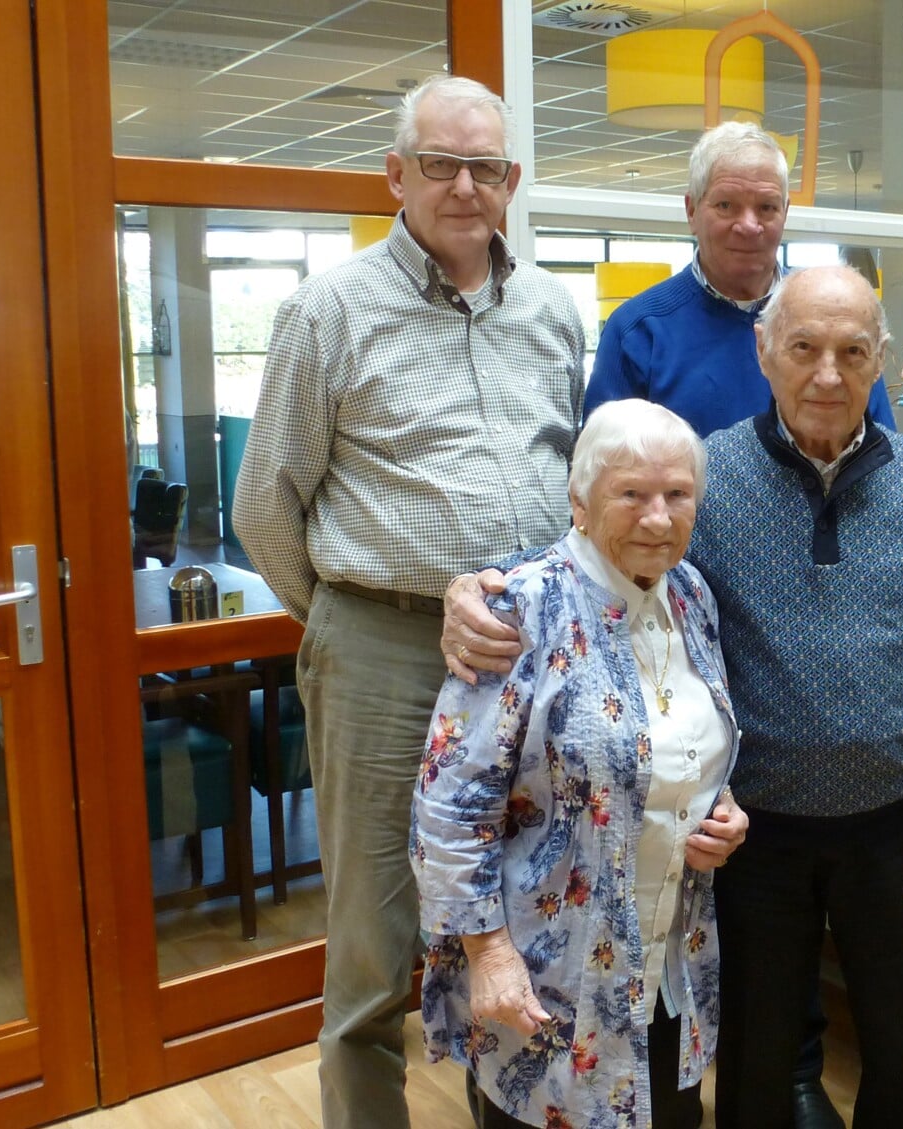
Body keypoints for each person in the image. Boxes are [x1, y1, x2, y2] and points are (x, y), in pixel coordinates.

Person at [444, 265, 903, 1128]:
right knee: (754, 1049)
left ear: (879, 361)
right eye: (803, 348)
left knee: (902, 1042)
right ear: (764, 353)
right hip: (748, 835)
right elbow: (598, 553)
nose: (827, 374)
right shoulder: (709, 477)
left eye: (852, 353)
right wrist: (479, 586)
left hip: (895, 821)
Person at [232, 74, 584, 1129]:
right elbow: (265, 508)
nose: (465, 187)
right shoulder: (327, 310)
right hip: (382, 654)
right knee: (377, 945)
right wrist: (352, 617)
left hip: (525, 659)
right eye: (441, 164)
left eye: (487, 168)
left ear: (511, 182)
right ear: (396, 173)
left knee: (517, 916)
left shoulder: (554, 311)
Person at [412, 399, 747, 1129]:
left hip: (662, 960)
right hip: (545, 976)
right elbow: (448, 804)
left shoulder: (690, 594)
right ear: (579, 499)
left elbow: (682, 746)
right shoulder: (518, 609)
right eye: (631, 493)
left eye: (677, 495)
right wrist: (488, 951)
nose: (658, 518)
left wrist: (718, 810)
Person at [583, 121, 895, 440]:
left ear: (785, 213)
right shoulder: (638, 333)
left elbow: (882, 456)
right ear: (691, 211)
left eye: (766, 208)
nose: (749, 225)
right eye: (726, 205)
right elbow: (603, 474)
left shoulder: (838, 323)